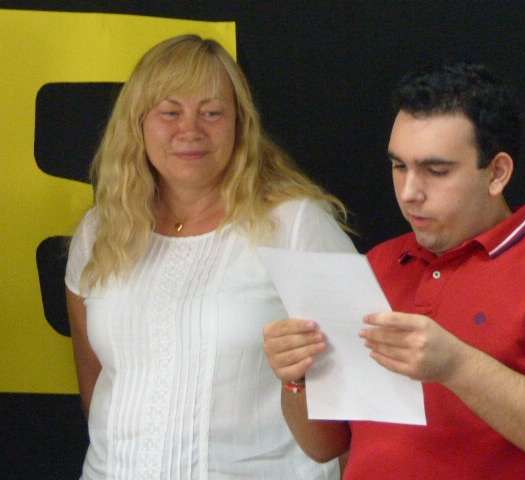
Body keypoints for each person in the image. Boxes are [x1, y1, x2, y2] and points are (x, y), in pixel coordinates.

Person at [263, 63, 525, 480]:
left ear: (497, 173)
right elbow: (324, 445)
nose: (410, 192)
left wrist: (458, 367)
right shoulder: (377, 263)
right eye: (399, 166)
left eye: (436, 171)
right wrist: (296, 377)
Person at [65, 34, 355, 479]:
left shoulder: (296, 225)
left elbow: (363, 399)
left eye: (212, 112)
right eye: (170, 112)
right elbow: (96, 385)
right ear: (137, 123)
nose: (191, 130)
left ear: (241, 124)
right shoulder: (100, 232)